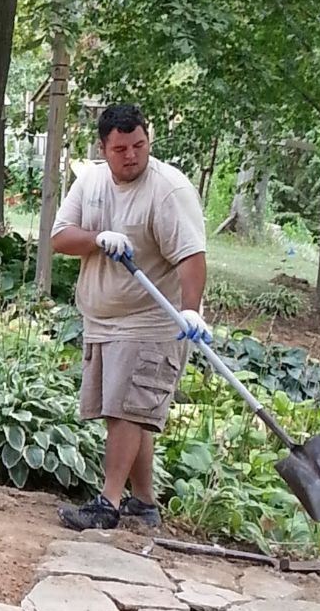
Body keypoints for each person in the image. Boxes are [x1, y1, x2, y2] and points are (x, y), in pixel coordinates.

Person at [50, 101, 210, 531]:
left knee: (127, 410)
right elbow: (60, 237)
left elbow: (192, 256)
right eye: (121, 149)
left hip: (154, 322)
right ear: (103, 149)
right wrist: (98, 239)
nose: (132, 155)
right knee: (126, 411)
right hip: (102, 321)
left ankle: (109, 503)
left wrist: (190, 313)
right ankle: (143, 502)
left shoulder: (168, 190)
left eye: (139, 145)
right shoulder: (91, 182)